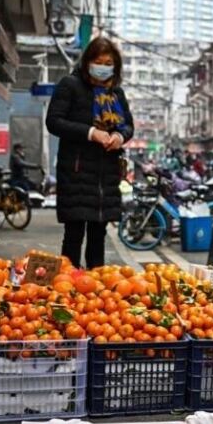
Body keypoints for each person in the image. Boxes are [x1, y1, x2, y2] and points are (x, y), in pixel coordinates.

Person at [46, 36, 134, 269]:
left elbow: (127, 126)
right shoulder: (70, 85)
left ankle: (96, 290)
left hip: (106, 174)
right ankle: (68, 285)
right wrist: (90, 132)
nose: (103, 67)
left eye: (108, 63)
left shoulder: (117, 93)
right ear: (87, 62)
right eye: (98, 61)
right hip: (76, 171)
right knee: (74, 233)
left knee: (99, 234)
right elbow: (54, 121)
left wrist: (119, 137)